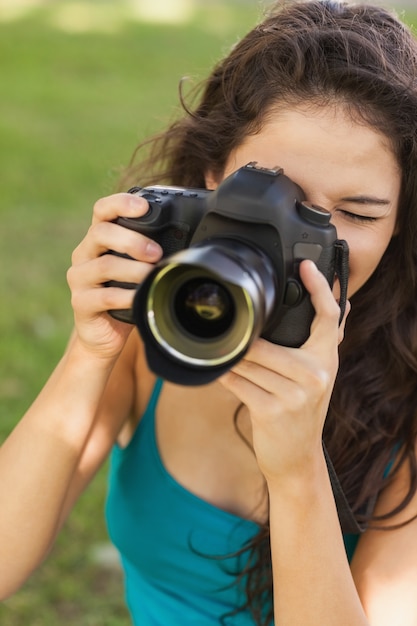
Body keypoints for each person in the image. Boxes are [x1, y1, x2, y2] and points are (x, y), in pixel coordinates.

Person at [1, 0, 417, 624]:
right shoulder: (160, 328)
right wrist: (89, 355)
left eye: (357, 214)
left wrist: (298, 464)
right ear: (209, 180)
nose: (312, 243)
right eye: (276, 197)